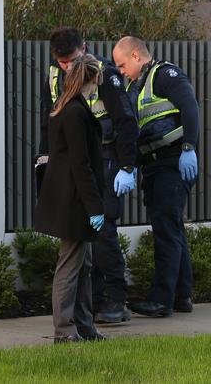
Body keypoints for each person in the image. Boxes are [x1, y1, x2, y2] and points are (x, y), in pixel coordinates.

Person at [38, 27, 138, 325]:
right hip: (75, 165)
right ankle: (84, 311)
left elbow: (125, 120)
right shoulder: (55, 78)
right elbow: (48, 125)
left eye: (72, 60)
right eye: (63, 62)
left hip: (104, 160)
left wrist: (127, 166)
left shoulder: (103, 75)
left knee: (103, 232)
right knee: (82, 244)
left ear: (84, 48)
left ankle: (114, 300)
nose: (69, 67)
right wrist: (45, 164)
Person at [112, 36, 199, 317]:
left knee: (165, 229)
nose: (121, 70)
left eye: (122, 64)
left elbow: (190, 107)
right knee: (172, 228)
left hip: (173, 161)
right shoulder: (133, 85)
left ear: (136, 56)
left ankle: (161, 300)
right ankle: (182, 295)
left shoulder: (164, 75)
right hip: (154, 163)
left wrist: (189, 147)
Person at [34, 54, 106, 343]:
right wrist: (94, 206)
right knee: (70, 265)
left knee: (83, 265)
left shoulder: (65, 106)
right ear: (93, 79)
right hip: (74, 200)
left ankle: (83, 327)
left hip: (68, 197)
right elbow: (80, 163)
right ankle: (65, 331)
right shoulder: (75, 111)